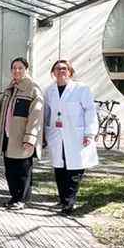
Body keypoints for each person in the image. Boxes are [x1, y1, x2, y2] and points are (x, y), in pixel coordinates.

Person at [44, 60, 99, 215]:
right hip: (56, 135)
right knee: (59, 168)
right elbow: (46, 114)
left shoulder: (81, 89)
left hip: (77, 135)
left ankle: (68, 204)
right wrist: (44, 132)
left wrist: (90, 133)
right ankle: (62, 199)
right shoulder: (49, 91)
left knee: (74, 170)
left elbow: (90, 111)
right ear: (53, 72)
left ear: (70, 71)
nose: (61, 71)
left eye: (64, 68)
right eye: (57, 69)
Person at [0, 57, 44, 211]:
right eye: (14, 68)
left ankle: (22, 199)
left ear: (26, 70)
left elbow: (36, 116)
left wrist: (30, 137)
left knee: (23, 171)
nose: (16, 71)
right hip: (8, 138)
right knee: (10, 171)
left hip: (22, 138)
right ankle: (14, 197)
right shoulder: (10, 89)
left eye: (20, 68)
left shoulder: (33, 89)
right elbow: (2, 114)